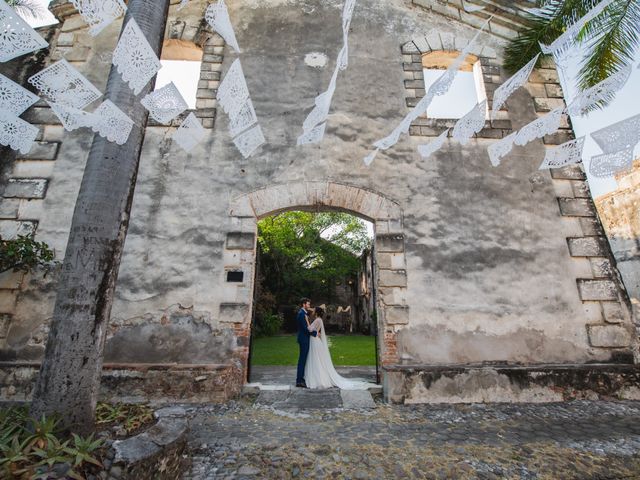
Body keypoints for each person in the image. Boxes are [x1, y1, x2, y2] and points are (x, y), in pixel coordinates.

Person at [304, 306, 374, 390]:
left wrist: (307, 320)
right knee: (317, 360)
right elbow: (316, 331)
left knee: (316, 360)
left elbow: (310, 329)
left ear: (317, 312)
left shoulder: (318, 320)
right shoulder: (319, 320)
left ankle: (319, 379)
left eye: (314, 310)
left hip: (315, 341)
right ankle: (318, 377)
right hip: (315, 340)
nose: (313, 311)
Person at [295, 298, 316, 388]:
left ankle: (301, 378)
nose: (309, 306)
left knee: (303, 359)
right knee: (302, 360)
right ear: (303, 304)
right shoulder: (301, 314)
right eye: (308, 304)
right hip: (303, 339)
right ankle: (299, 381)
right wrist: (315, 334)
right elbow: (305, 328)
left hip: (305, 339)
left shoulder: (304, 313)